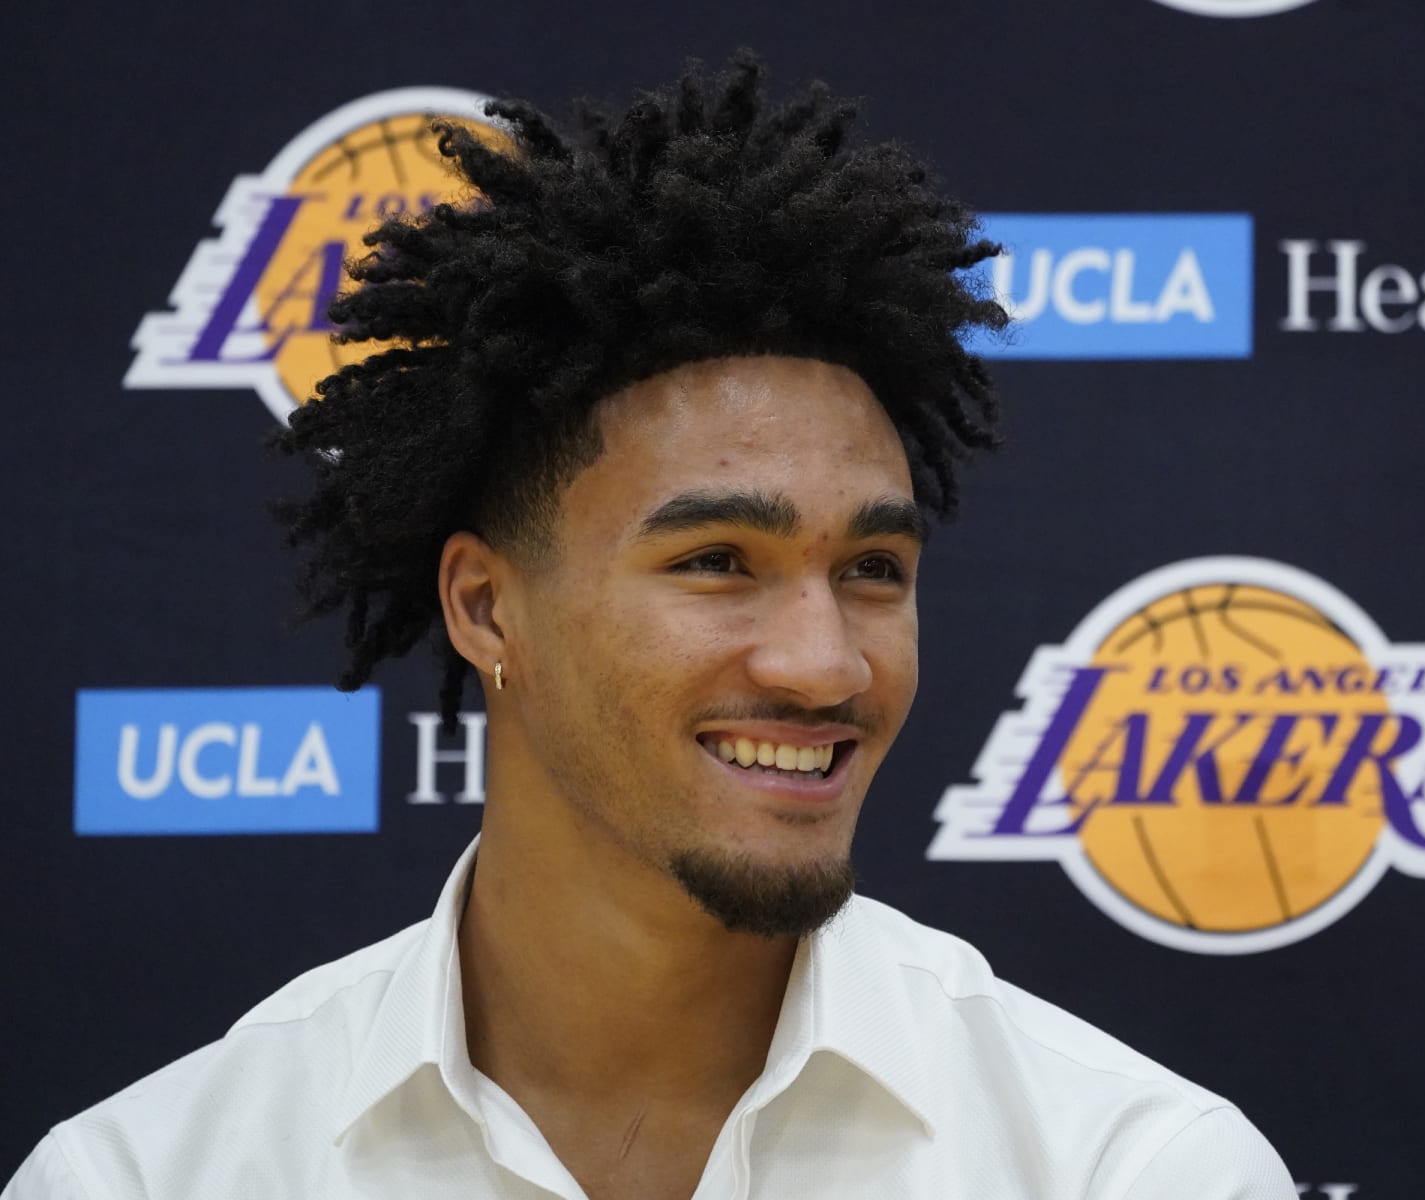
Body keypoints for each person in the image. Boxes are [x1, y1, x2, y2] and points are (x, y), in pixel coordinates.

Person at [4, 55, 1294, 1200]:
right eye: (718, 561)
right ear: (483, 602)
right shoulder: (154, 1173)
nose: (824, 661)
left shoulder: (1128, 1167)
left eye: (874, 568)